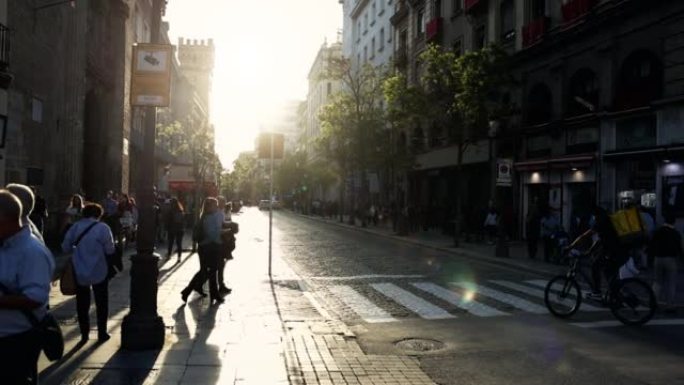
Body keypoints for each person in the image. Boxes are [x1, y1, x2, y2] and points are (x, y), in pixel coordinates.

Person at [0, 190, 54, 384]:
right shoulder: (5, 247)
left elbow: (35, 298)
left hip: (16, 341)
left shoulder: (32, 252)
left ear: (5, 218)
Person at [62, 203, 115, 342]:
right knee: (101, 302)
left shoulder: (76, 227)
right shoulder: (103, 228)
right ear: (99, 214)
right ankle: (102, 332)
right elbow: (110, 250)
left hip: (80, 269)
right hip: (100, 269)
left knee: (82, 303)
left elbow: (65, 247)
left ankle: (84, 333)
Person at [568, 205, 628, 300]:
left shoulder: (601, 222)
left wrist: (570, 246)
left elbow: (585, 236)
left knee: (595, 266)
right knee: (607, 272)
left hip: (615, 252)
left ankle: (597, 292)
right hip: (618, 252)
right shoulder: (607, 222)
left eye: (594, 216)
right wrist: (589, 251)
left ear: (597, 215)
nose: (593, 219)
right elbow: (599, 240)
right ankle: (616, 296)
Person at [181, 198, 224, 305]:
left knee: (208, 271)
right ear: (209, 206)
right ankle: (190, 291)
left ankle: (190, 291)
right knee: (208, 271)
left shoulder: (208, 216)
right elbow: (212, 235)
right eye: (215, 205)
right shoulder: (207, 218)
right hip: (208, 247)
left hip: (208, 247)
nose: (216, 207)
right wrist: (222, 234)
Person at [648, 211, 683, 311]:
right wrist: (681, 258)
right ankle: (670, 304)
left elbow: (651, 245)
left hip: (658, 258)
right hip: (670, 259)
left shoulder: (658, 231)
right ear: (674, 222)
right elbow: (679, 248)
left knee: (657, 282)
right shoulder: (675, 233)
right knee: (671, 283)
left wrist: (650, 259)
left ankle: (653, 301)